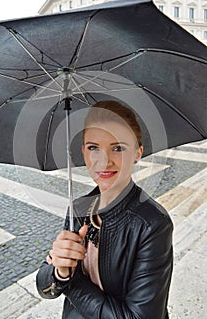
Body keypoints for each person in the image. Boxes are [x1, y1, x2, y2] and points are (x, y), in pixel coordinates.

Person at [36, 100, 173, 319]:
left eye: (118, 148)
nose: (104, 161)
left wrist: (71, 282)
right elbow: (45, 286)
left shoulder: (153, 224)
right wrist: (59, 272)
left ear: (138, 153)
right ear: (83, 151)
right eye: (93, 148)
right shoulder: (78, 208)